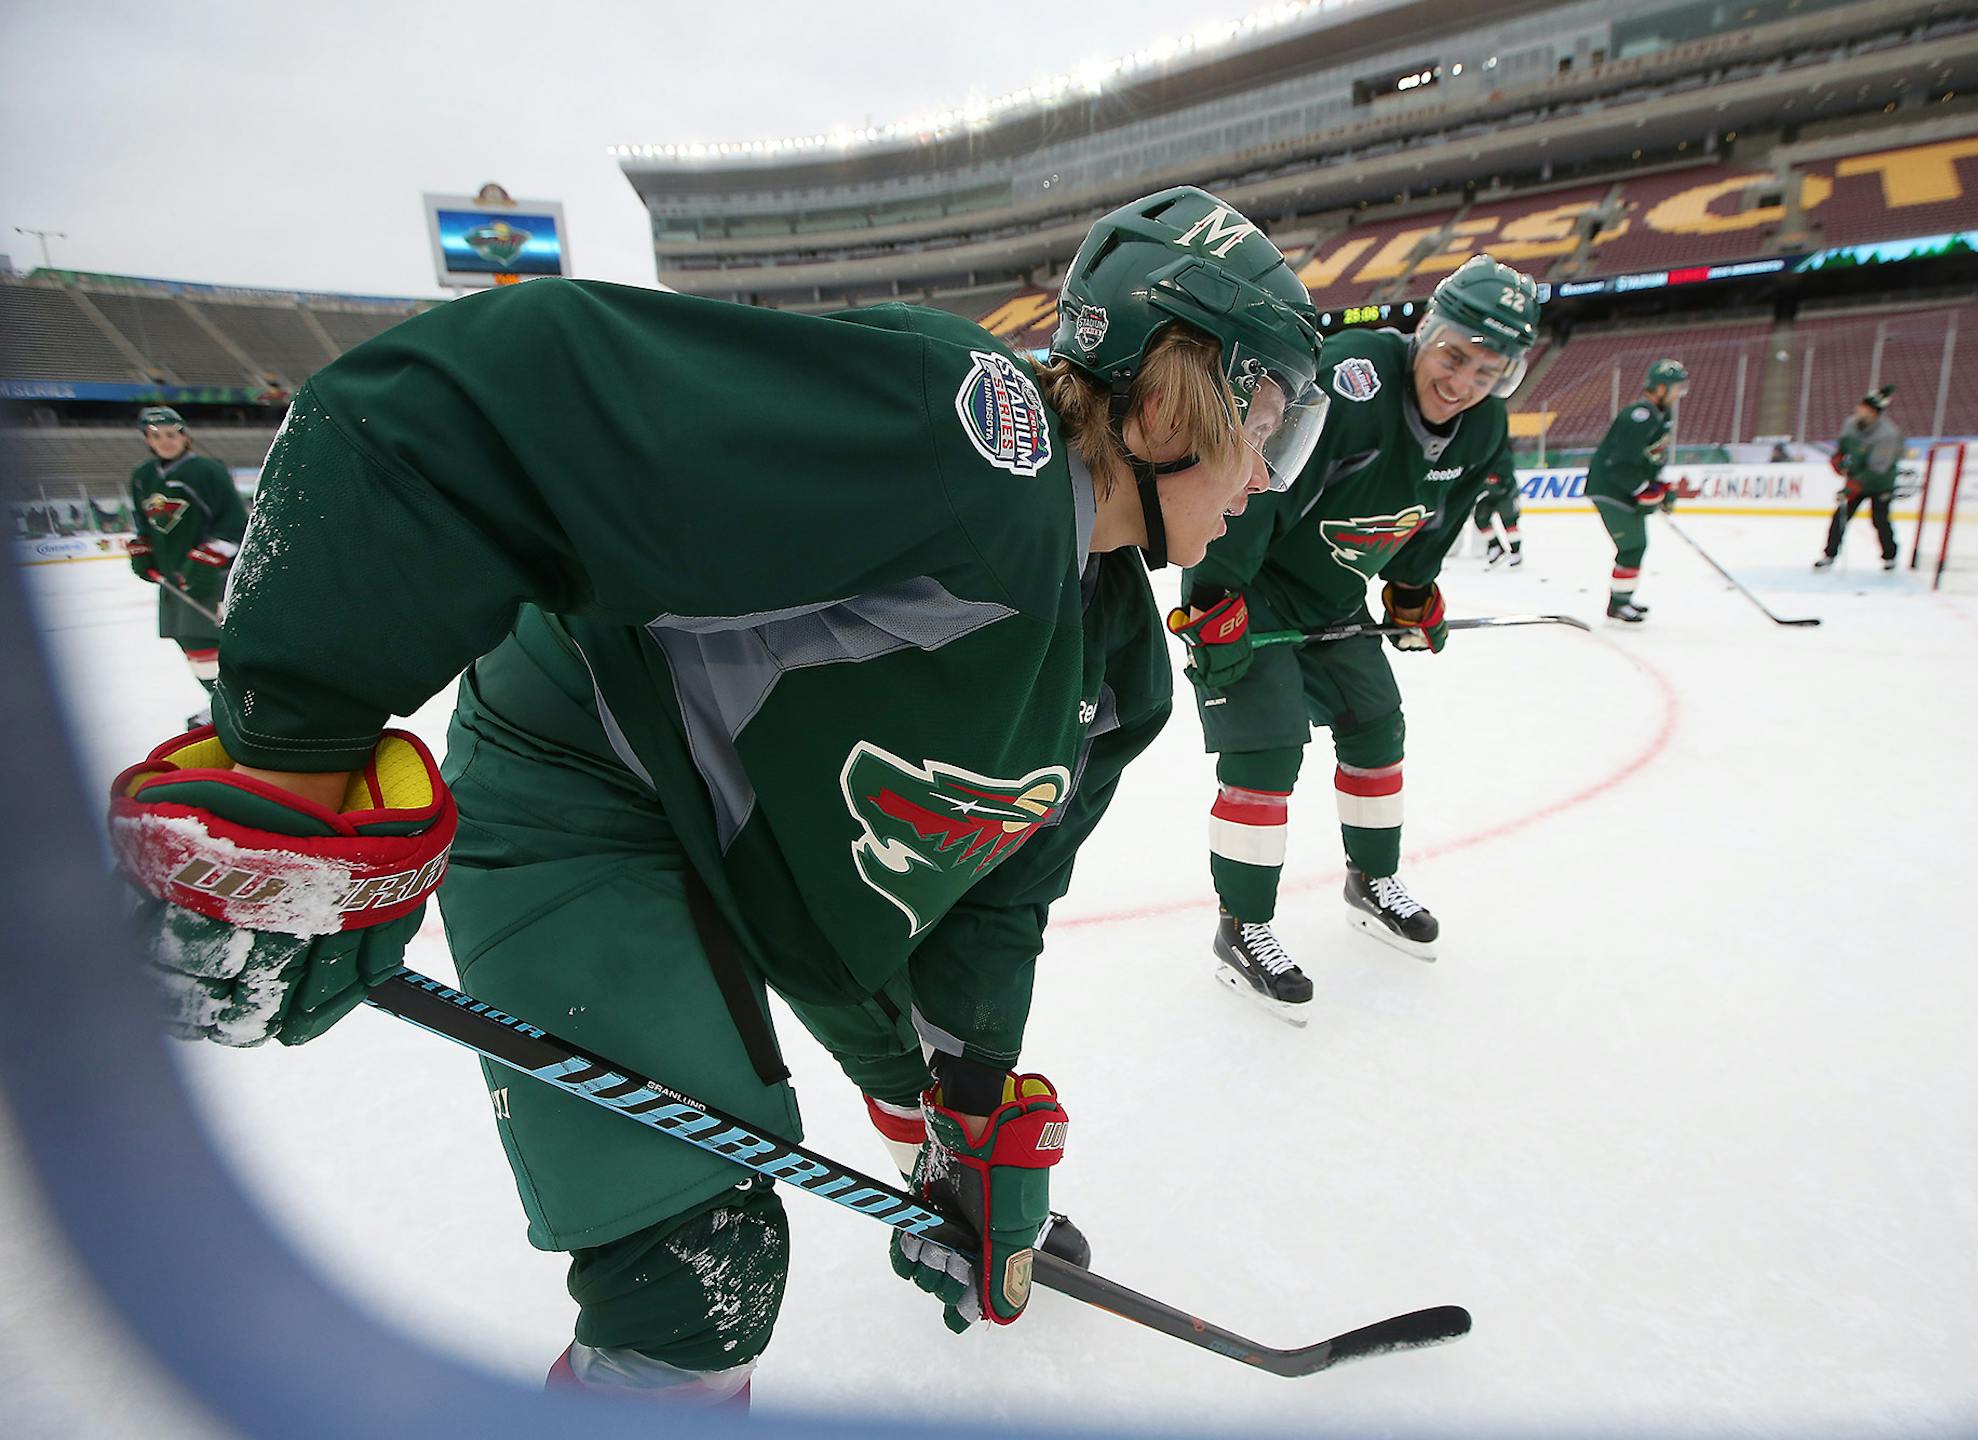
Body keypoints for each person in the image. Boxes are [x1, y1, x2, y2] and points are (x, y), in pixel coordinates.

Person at [106, 186, 1326, 1407]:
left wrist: (970, 1119)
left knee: (905, 1073)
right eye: (1269, 417)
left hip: (781, 863)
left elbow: (995, 900)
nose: (1272, 476)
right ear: (1168, 396)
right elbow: (466, 408)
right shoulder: (973, 443)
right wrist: (293, 755)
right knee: (695, 1275)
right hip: (588, 782)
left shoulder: (1120, 669)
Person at [1167, 255, 1537, 1018]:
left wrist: (1410, 592)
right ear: (1427, 331)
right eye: (1453, 355)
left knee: (1377, 727)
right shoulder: (1353, 378)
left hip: (1334, 598)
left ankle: (1371, 880)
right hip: (1253, 585)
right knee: (1265, 752)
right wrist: (1212, 597)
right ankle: (1243, 926)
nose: (1461, 381)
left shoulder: (1486, 426)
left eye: (1484, 370)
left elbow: (1436, 521)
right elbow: (1257, 484)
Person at [123, 405, 246, 727]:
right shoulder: (143, 477)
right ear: (147, 440)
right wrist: (143, 551)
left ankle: (240, 705)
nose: (164, 441)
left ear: (184, 435)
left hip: (209, 577)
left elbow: (235, 524)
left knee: (213, 642)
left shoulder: (207, 471)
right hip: (172, 578)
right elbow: (144, 524)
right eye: (156, 436)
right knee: (189, 643)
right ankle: (220, 703)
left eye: (170, 434)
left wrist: (208, 559)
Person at [1585, 359, 1686, 623]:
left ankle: (1621, 602)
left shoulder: (1662, 415)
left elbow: (1653, 457)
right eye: (1676, 387)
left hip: (1624, 487)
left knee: (1635, 546)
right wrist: (1644, 489)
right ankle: (1618, 605)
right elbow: (1619, 464)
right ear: (1660, 388)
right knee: (1632, 544)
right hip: (1610, 487)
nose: (1679, 393)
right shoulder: (1638, 416)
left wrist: (1661, 485)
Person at [1815, 384, 1904, 571]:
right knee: (1840, 516)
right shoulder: (1851, 424)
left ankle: (1890, 556)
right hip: (1856, 480)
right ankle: (1829, 554)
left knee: (1879, 519)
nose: (1858, 410)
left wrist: (1851, 487)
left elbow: (1878, 469)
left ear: (1873, 412)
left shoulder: (1888, 434)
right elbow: (1844, 449)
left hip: (1880, 482)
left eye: (1863, 408)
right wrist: (1838, 460)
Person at [1471, 442, 1524, 566]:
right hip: (1489, 493)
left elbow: (1506, 472)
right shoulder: (1476, 452)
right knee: (1480, 519)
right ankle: (1495, 546)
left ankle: (1516, 552)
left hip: (1507, 493)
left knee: (1509, 522)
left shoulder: (1501, 452)